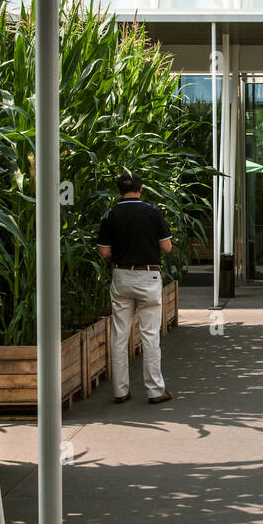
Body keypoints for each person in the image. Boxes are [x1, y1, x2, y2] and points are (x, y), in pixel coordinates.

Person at [97, 172, 174, 404]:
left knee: (120, 335)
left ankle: (120, 391)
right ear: (140, 189)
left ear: (119, 191)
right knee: (150, 335)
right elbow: (167, 247)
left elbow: (104, 251)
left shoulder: (110, 214)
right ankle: (155, 390)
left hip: (122, 276)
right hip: (148, 275)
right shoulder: (152, 212)